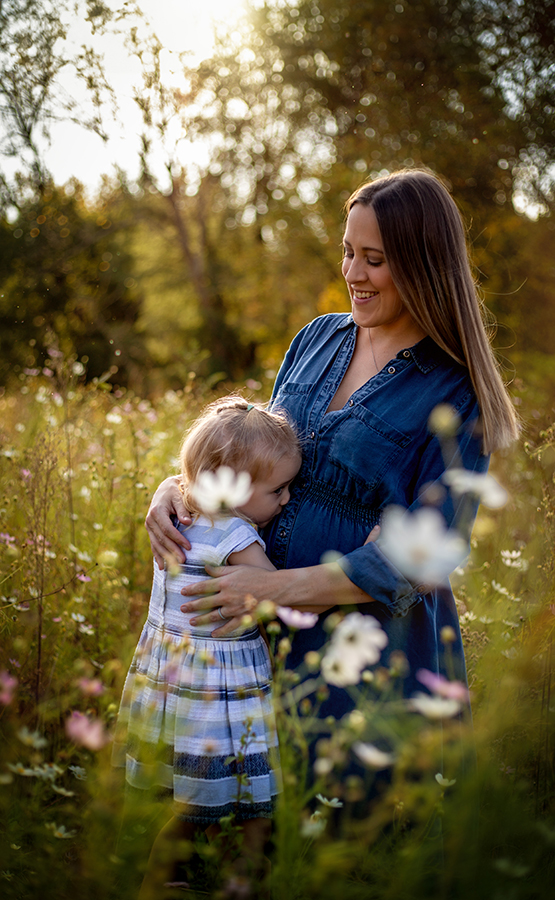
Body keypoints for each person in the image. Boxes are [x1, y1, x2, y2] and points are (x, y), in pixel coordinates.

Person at [145, 168, 519, 781]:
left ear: (423, 267)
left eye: (375, 260)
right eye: (348, 251)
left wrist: (273, 589)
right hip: (257, 645)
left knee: (344, 822)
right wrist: (175, 490)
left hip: (367, 653)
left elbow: (422, 558)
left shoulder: (455, 390)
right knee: (232, 812)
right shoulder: (316, 339)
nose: (352, 273)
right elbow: (247, 455)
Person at [113, 396, 301, 898]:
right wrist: (360, 562)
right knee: (243, 789)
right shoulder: (236, 536)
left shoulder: (180, 519)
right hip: (220, 688)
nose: (287, 500)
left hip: (174, 676)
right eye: (278, 490)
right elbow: (282, 595)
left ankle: (179, 874)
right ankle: (239, 874)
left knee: (197, 788)